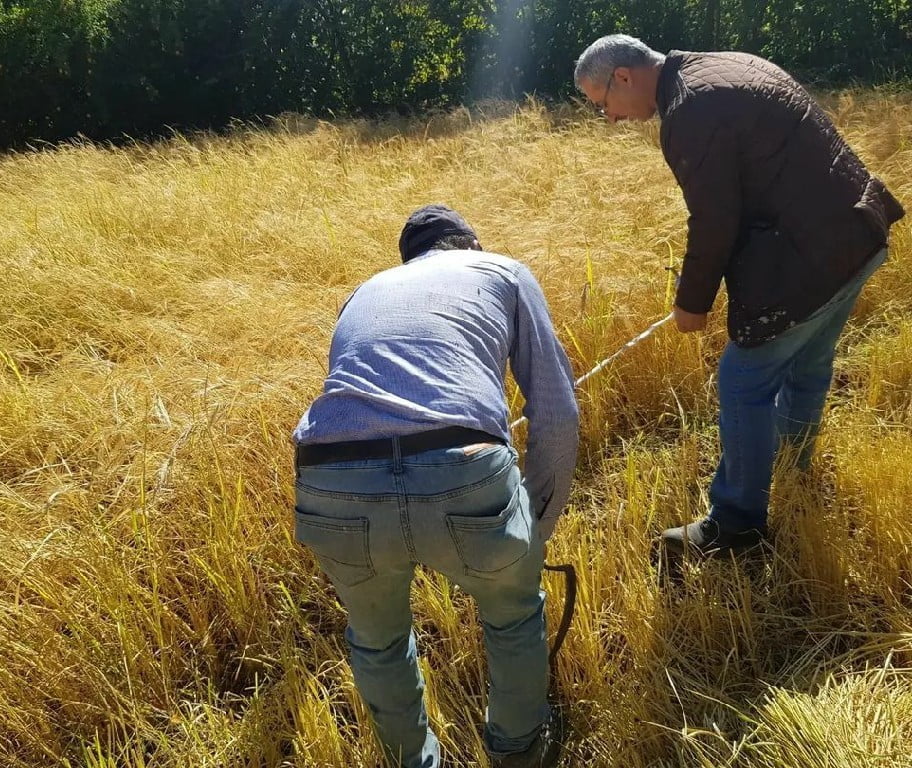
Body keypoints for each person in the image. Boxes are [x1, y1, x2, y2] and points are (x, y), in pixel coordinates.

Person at [573, 35, 904, 559]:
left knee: (743, 380)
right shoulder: (723, 64)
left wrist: (692, 303)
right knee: (808, 364)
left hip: (814, 255)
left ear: (623, 76)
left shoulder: (689, 110)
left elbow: (715, 219)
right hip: (857, 234)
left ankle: (736, 525)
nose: (609, 118)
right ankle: (791, 469)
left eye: (603, 104)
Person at [292, 204, 579, 767]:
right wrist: (534, 526)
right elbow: (557, 413)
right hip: (462, 465)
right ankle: (520, 754)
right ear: (471, 245)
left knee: (377, 640)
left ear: (409, 258)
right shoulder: (502, 270)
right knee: (513, 615)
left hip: (331, 475)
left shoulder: (363, 292)